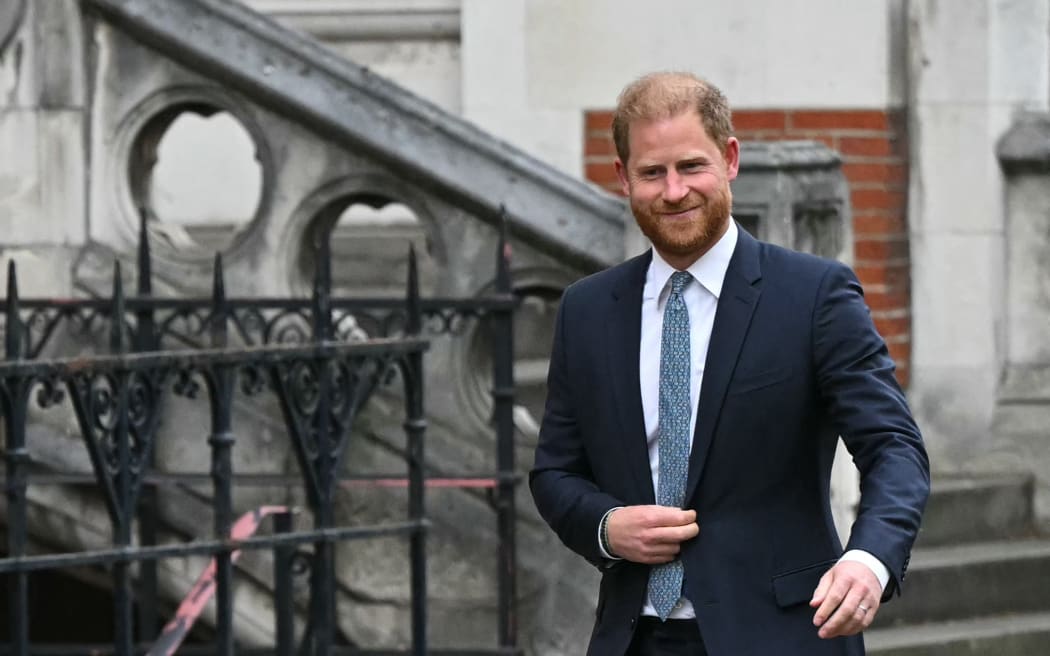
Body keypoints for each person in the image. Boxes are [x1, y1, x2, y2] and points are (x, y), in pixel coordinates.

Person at [529, 72, 929, 656]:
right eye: (652, 172)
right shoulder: (586, 310)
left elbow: (894, 447)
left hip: (784, 637)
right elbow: (554, 473)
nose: (674, 191)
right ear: (623, 177)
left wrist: (869, 560)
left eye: (692, 166)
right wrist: (606, 527)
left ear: (730, 159)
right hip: (632, 639)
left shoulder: (813, 295)